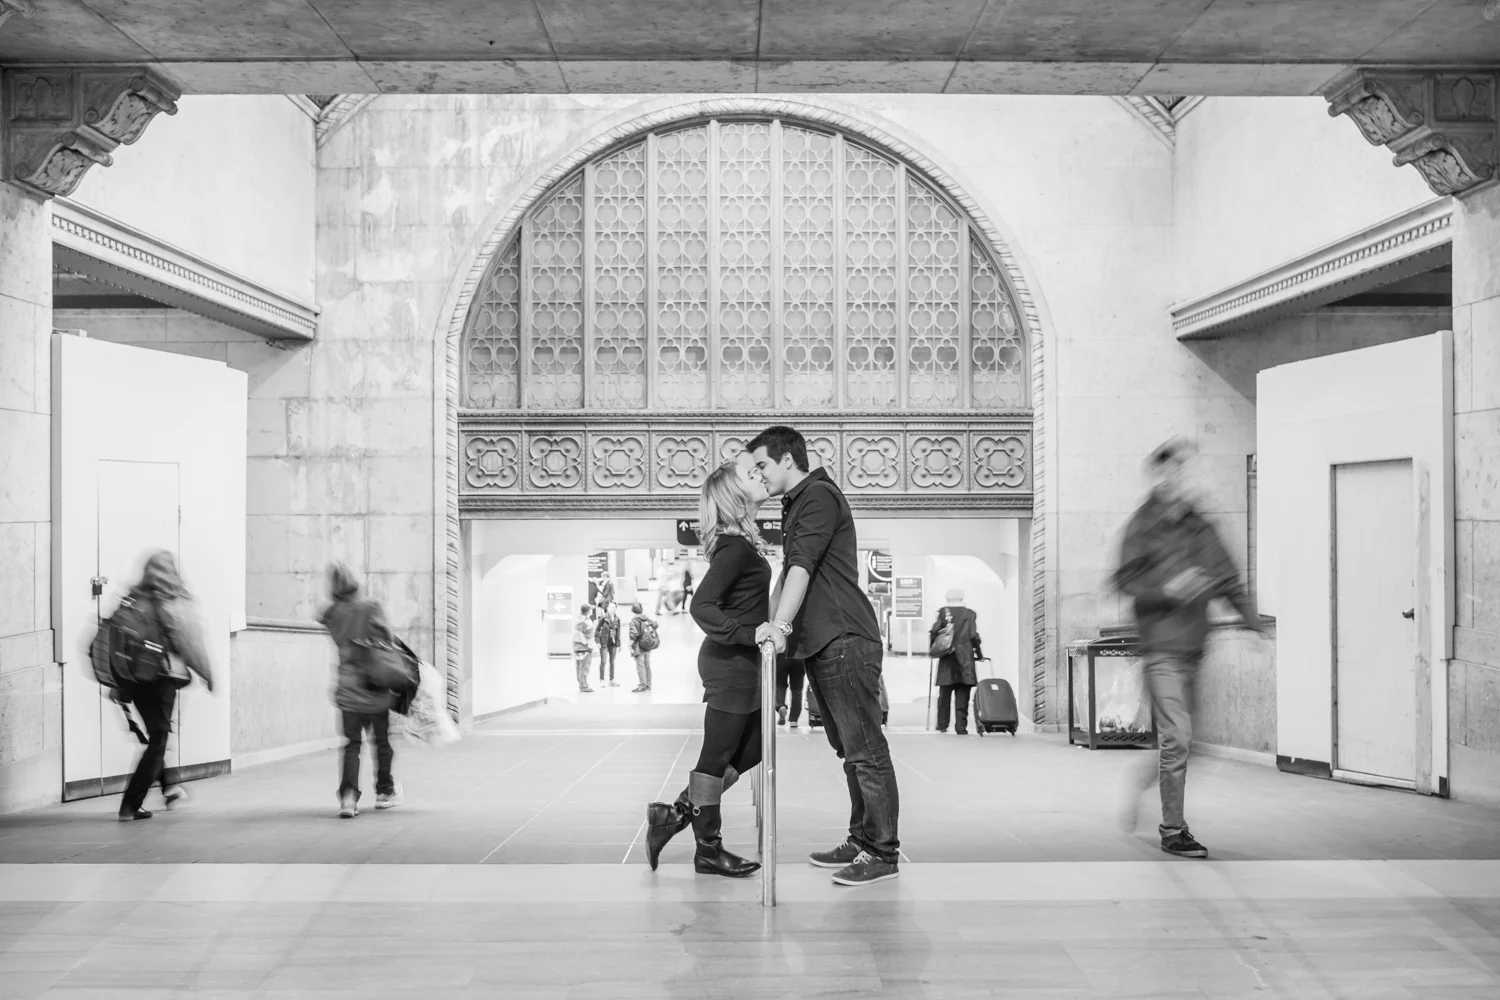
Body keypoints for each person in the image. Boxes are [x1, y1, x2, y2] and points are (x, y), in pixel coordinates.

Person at [750, 425, 900, 886]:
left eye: (762, 466)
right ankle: (861, 841)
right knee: (849, 750)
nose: (757, 475)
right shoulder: (801, 501)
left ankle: (882, 853)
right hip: (826, 642)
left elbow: (801, 568)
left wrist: (779, 626)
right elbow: (792, 573)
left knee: (866, 750)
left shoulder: (816, 497)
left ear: (787, 460)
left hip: (844, 638)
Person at [1112, 438, 1266, 859]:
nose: (1181, 476)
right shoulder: (1142, 525)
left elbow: (1228, 577)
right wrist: (1166, 589)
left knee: (1189, 744)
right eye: (1173, 469)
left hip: (1195, 648)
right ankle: (1173, 828)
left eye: (1186, 469)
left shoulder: (1201, 526)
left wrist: (1254, 623)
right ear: (1158, 474)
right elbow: (1122, 580)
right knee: (1177, 738)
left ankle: (1143, 784)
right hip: (1159, 649)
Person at [644, 453, 769, 878]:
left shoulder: (740, 544)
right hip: (729, 663)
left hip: (743, 665)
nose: (758, 476)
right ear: (734, 495)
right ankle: (708, 849)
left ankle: (676, 814)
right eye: (749, 475)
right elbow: (702, 606)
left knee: (752, 749)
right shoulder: (733, 548)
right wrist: (750, 633)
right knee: (714, 758)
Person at [113, 550, 214, 821]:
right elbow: (189, 642)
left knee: (155, 736)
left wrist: (116, 681)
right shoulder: (171, 601)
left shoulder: (131, 600)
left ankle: (170, 786)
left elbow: (113, 642)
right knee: (158, 740)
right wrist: (206, 672)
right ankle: (130, 805)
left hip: (132, 681)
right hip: (160, 679)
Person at [319, 563, 403, 819]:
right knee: (381, 741)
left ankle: (348, 797)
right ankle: (384, 792)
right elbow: (386, 638)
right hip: (374, 685)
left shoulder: (332, 613)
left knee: (352, 744)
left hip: (346, 687)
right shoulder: (370, 606)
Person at [931, 588, 983, 735]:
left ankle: (942, 725)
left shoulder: (943, 612)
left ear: (947, 598)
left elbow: (935, 631)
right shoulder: (970, 614)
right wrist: (979, 654)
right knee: (963, 695)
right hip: (965, 659)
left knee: (944, 695)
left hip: (947, 659)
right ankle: (961, 727)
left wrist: (933, 649)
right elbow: (973, 635)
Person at [629, 602, 656, 692]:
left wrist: (630, 645)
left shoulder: (634, 621)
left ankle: (642, 685)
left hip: (638, 646)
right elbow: (655, 625)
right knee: (647, 665)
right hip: (647, 645)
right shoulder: (646, 618)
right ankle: (648, 684)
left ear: (632, 610)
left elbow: (634, 634)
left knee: (640, 666)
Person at [775, 652, 806, 728]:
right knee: (797, 690)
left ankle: (781, 706)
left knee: (780, 686)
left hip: (782, 657)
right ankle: (794, 720)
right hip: (799, 658)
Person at [596, 600, 621, 687]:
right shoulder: (603, 618)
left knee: (612, 661)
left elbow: (618, 632)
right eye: (610, 607)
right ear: (607, 608)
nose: (612, 609)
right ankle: (602, 679)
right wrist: (598, 641)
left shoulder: (617, 619)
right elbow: (597, 630)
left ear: (616, 609)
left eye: (613, 607)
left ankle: (612, 679)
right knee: (603, 661)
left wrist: (619, 644)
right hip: (604, 642)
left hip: (613, 643)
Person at [573, 605, 596, 693]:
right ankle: (584, 686)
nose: (592, 611)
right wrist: (587, 644)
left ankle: (581, 684)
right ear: (588, 611)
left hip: (577, 647)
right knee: (584, 667)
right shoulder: (586, 622)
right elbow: (585, 635)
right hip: (585, 648)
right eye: (591, 610)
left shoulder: (578, 620)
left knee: (579, 667)